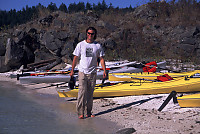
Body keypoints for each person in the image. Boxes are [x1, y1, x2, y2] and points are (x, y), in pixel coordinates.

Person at [70, 27, 106, 119]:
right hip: (82, 71)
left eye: (92, 34)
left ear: (95, 34)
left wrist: (104, 70)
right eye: (89, 33)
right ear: (86, 34)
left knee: (90, 93)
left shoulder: (97, 46)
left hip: (93, 72)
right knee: (82, 92)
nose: (90, 35)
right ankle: (80, 113)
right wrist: (72, 70)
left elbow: (101, 59)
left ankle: (88, 112)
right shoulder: (80, 45)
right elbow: (75, 58)